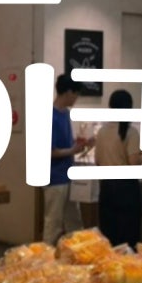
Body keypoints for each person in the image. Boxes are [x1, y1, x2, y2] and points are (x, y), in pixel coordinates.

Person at [94, 89, 142, 248]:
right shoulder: (131, 132)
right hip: (126, 188)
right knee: (128, 237)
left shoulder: (101, 131)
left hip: (107, 188)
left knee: (109, 235)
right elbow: (133, 162)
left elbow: (97, 161)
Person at [42, 74, 88, 244]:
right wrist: (72, 150)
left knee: (74, 221)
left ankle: (78, 253)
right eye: (76, 94)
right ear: (68, 92)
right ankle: (45, 256)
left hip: (67, 175)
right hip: (54, 177)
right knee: (53, 223)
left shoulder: (65, 114)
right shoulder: (50, 116)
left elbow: (65, 144)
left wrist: (79, 145)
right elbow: (48, 151)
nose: (76, 98)